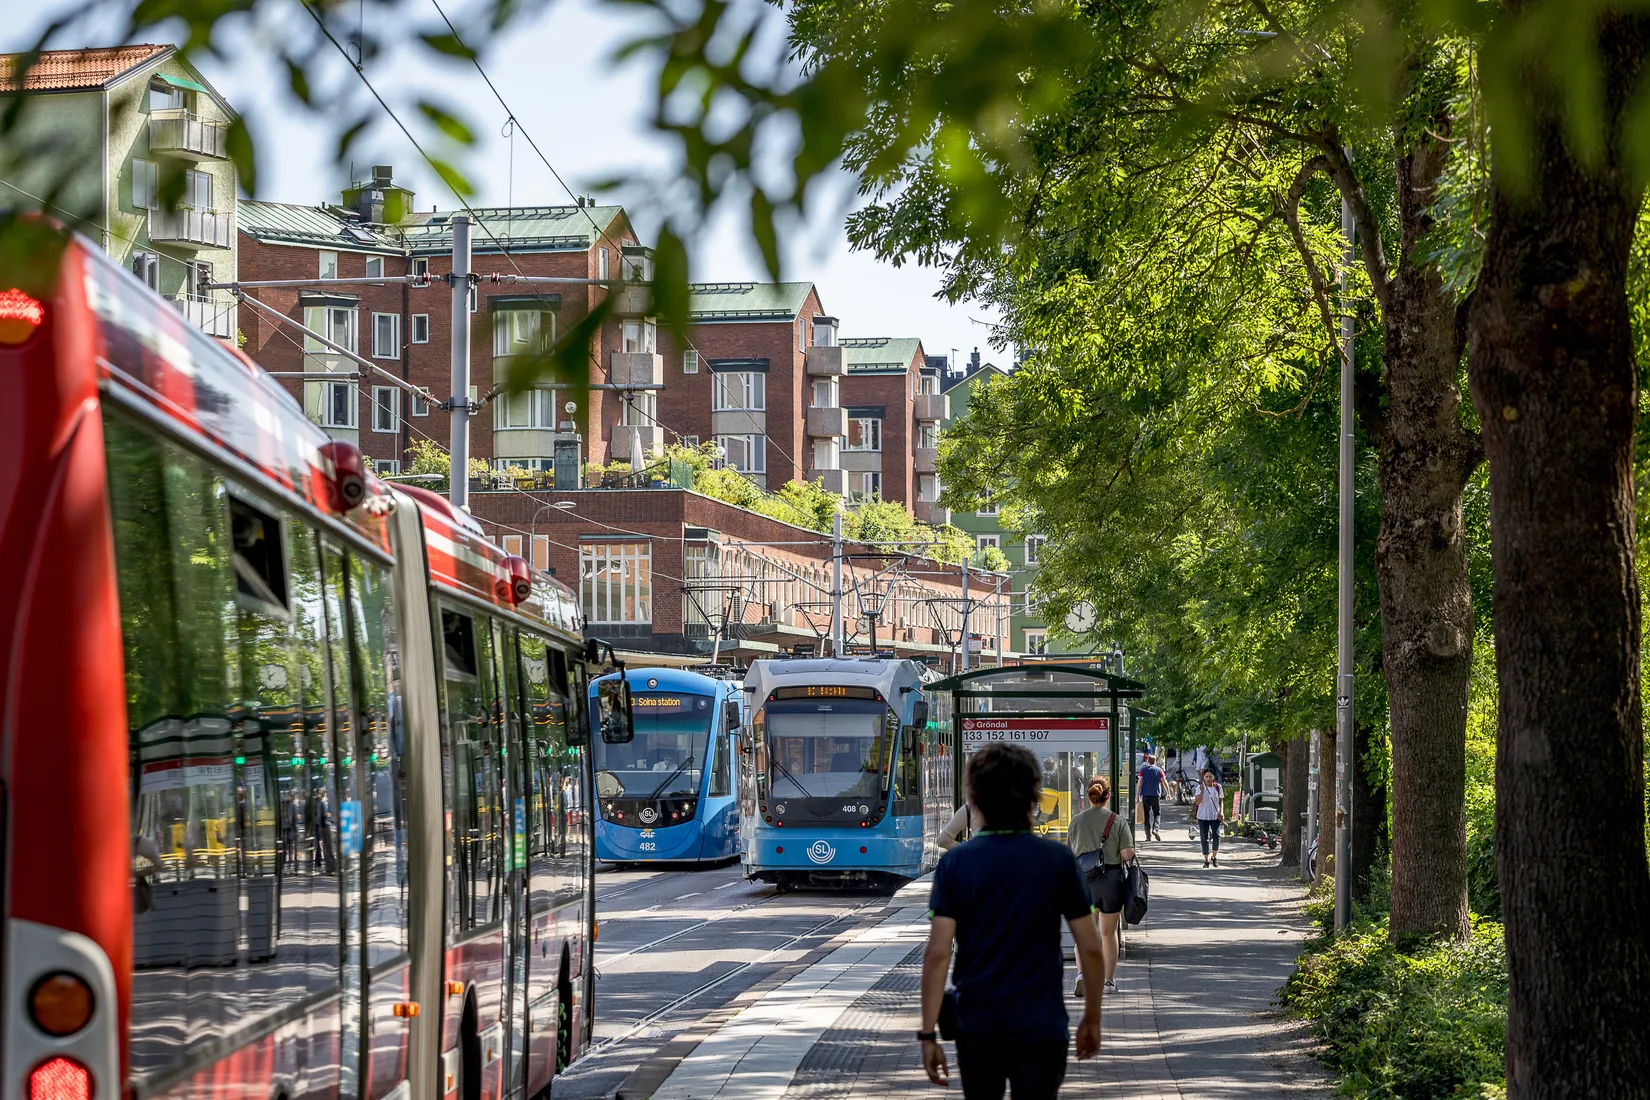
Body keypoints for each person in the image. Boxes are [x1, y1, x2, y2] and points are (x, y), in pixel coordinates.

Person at [920, 742, 1104, 1099]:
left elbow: (938, 954)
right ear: (1034, 794)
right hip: (1042, 1023)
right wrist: (1092, 1018)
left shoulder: (956, 865)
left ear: (975, 796)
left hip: (978, 1024)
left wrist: (928, 1034)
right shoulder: (1058, 860)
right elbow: (1091, 946)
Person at [1066, 776, 1133, 995]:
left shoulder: (1076, 821)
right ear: (1108, 795)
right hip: (1111, 881)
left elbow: (1069, 853)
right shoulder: (1117, 820)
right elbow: (1126, 854)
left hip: (1083, 881)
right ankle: (1108, 982)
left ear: (1089, 795)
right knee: (1108, 932)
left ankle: (1082, 974)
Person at [1194, 767, 1224, 867]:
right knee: (1204, 838)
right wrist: (1202, 792)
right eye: (1206, 777)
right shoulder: (1199, 787)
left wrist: (1221, 812)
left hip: (1215, 816)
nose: (1208, 778)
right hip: (1202, 816)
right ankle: (1206, 860)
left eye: (1210, 776)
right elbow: (1197, 802)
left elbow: (1220, 800)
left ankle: (1214, 857)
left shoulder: (1218, 787)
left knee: (1216, 836)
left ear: (1214, 777)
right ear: (1203, 777)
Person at [1136, 753, 1167, 841]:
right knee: (1157, 814)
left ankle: (1148, 836)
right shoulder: (1159, 770)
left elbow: (1140, 783)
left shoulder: (1143, 770)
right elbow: (1164, 781)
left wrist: (1137, 795)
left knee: (1146, 815)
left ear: (1147, 761)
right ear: (1155, 761)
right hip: (1155, 795)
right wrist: (1168, 793)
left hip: (1145, 795)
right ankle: (1155, 829)